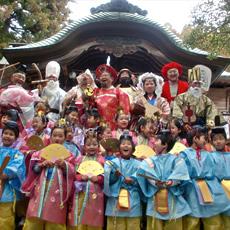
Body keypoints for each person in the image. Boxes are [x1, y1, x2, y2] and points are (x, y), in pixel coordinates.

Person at [22, 125, 75, 230]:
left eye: (60, 136)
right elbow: (33, 170)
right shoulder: (40, 153)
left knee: (54, 222)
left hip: (58, 193)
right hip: (39, 190)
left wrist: (65, 165)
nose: (57, 138)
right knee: (34, 220)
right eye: (54, 135)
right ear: (50, 137)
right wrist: (42, 164)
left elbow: (72, 174)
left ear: (65, 138)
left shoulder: (69, 155)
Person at [137, 130, 191, 230]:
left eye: (157, 140)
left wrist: (172, 181)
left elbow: (180, 174)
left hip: (172, 196)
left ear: (165, 145)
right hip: (155, 195)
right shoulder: (149, 160)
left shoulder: (176, 159)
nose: (154, 142)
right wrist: (154, 182)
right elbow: (146, 173)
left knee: (173, 224)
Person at [180, 126, 230, 230]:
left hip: (210, 187)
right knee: (192, 221)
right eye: (203, 138)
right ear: (195, 139)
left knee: (213, 219)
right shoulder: (184, 154)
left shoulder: (208, 154)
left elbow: (216, 172)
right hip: (192, 189)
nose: (205, 141)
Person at [104, 134, 142, 230]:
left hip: (133, 198)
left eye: (128, 144)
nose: (125, 146)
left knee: (133, 225)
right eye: (123, 144)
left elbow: (142, 179)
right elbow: (108, 181)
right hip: (115, 199)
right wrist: (114, 176)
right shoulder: (112, 163)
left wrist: (133, 179)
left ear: (133, 148)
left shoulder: (139, 164)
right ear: (119, 148)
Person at [68, 133, 104, 230]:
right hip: (81, 193)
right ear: (84, 147)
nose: (91, 147)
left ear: (99, 146)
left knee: (94, 214)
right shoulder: (79, 159)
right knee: (79, 213)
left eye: (94, 144)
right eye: (88, 145)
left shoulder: (101, 160)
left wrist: (99, 178)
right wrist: (81, 177)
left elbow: (105, 177)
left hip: (96, 193)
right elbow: (74, 174)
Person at [0, 121, 25, 230]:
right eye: (6, 133)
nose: (7, 136)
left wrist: (5, 175)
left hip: (7, 190)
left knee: (5, 217)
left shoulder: (17, 154)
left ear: (16, 138)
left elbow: (16, 168)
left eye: (11, 134)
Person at [93, 64, 131, 130]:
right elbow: (85, 98)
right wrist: (87, 83)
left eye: (105, 75)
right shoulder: (96, 91)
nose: (103, 77)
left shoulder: (119, 92)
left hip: (114, 128)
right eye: (101, 76)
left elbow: (124, 112)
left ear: (112, 79)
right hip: (99, 128)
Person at [211, 126, 230, 229]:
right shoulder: (210, 156)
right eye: (215, 139)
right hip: (217, 190)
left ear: (226, 140)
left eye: (221, 138)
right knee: (217, 222)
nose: (218, 142)